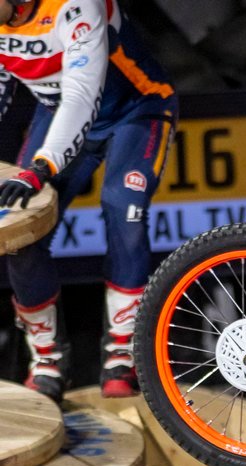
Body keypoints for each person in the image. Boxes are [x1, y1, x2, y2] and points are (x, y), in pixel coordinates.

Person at [0, 0, 176, 400]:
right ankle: (47, 360)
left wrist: (43, 165)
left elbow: (82, 94)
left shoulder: (75, 4)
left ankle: (122, 352)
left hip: (137, 109)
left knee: (123, 210)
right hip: (56, 111)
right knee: (22, 230)